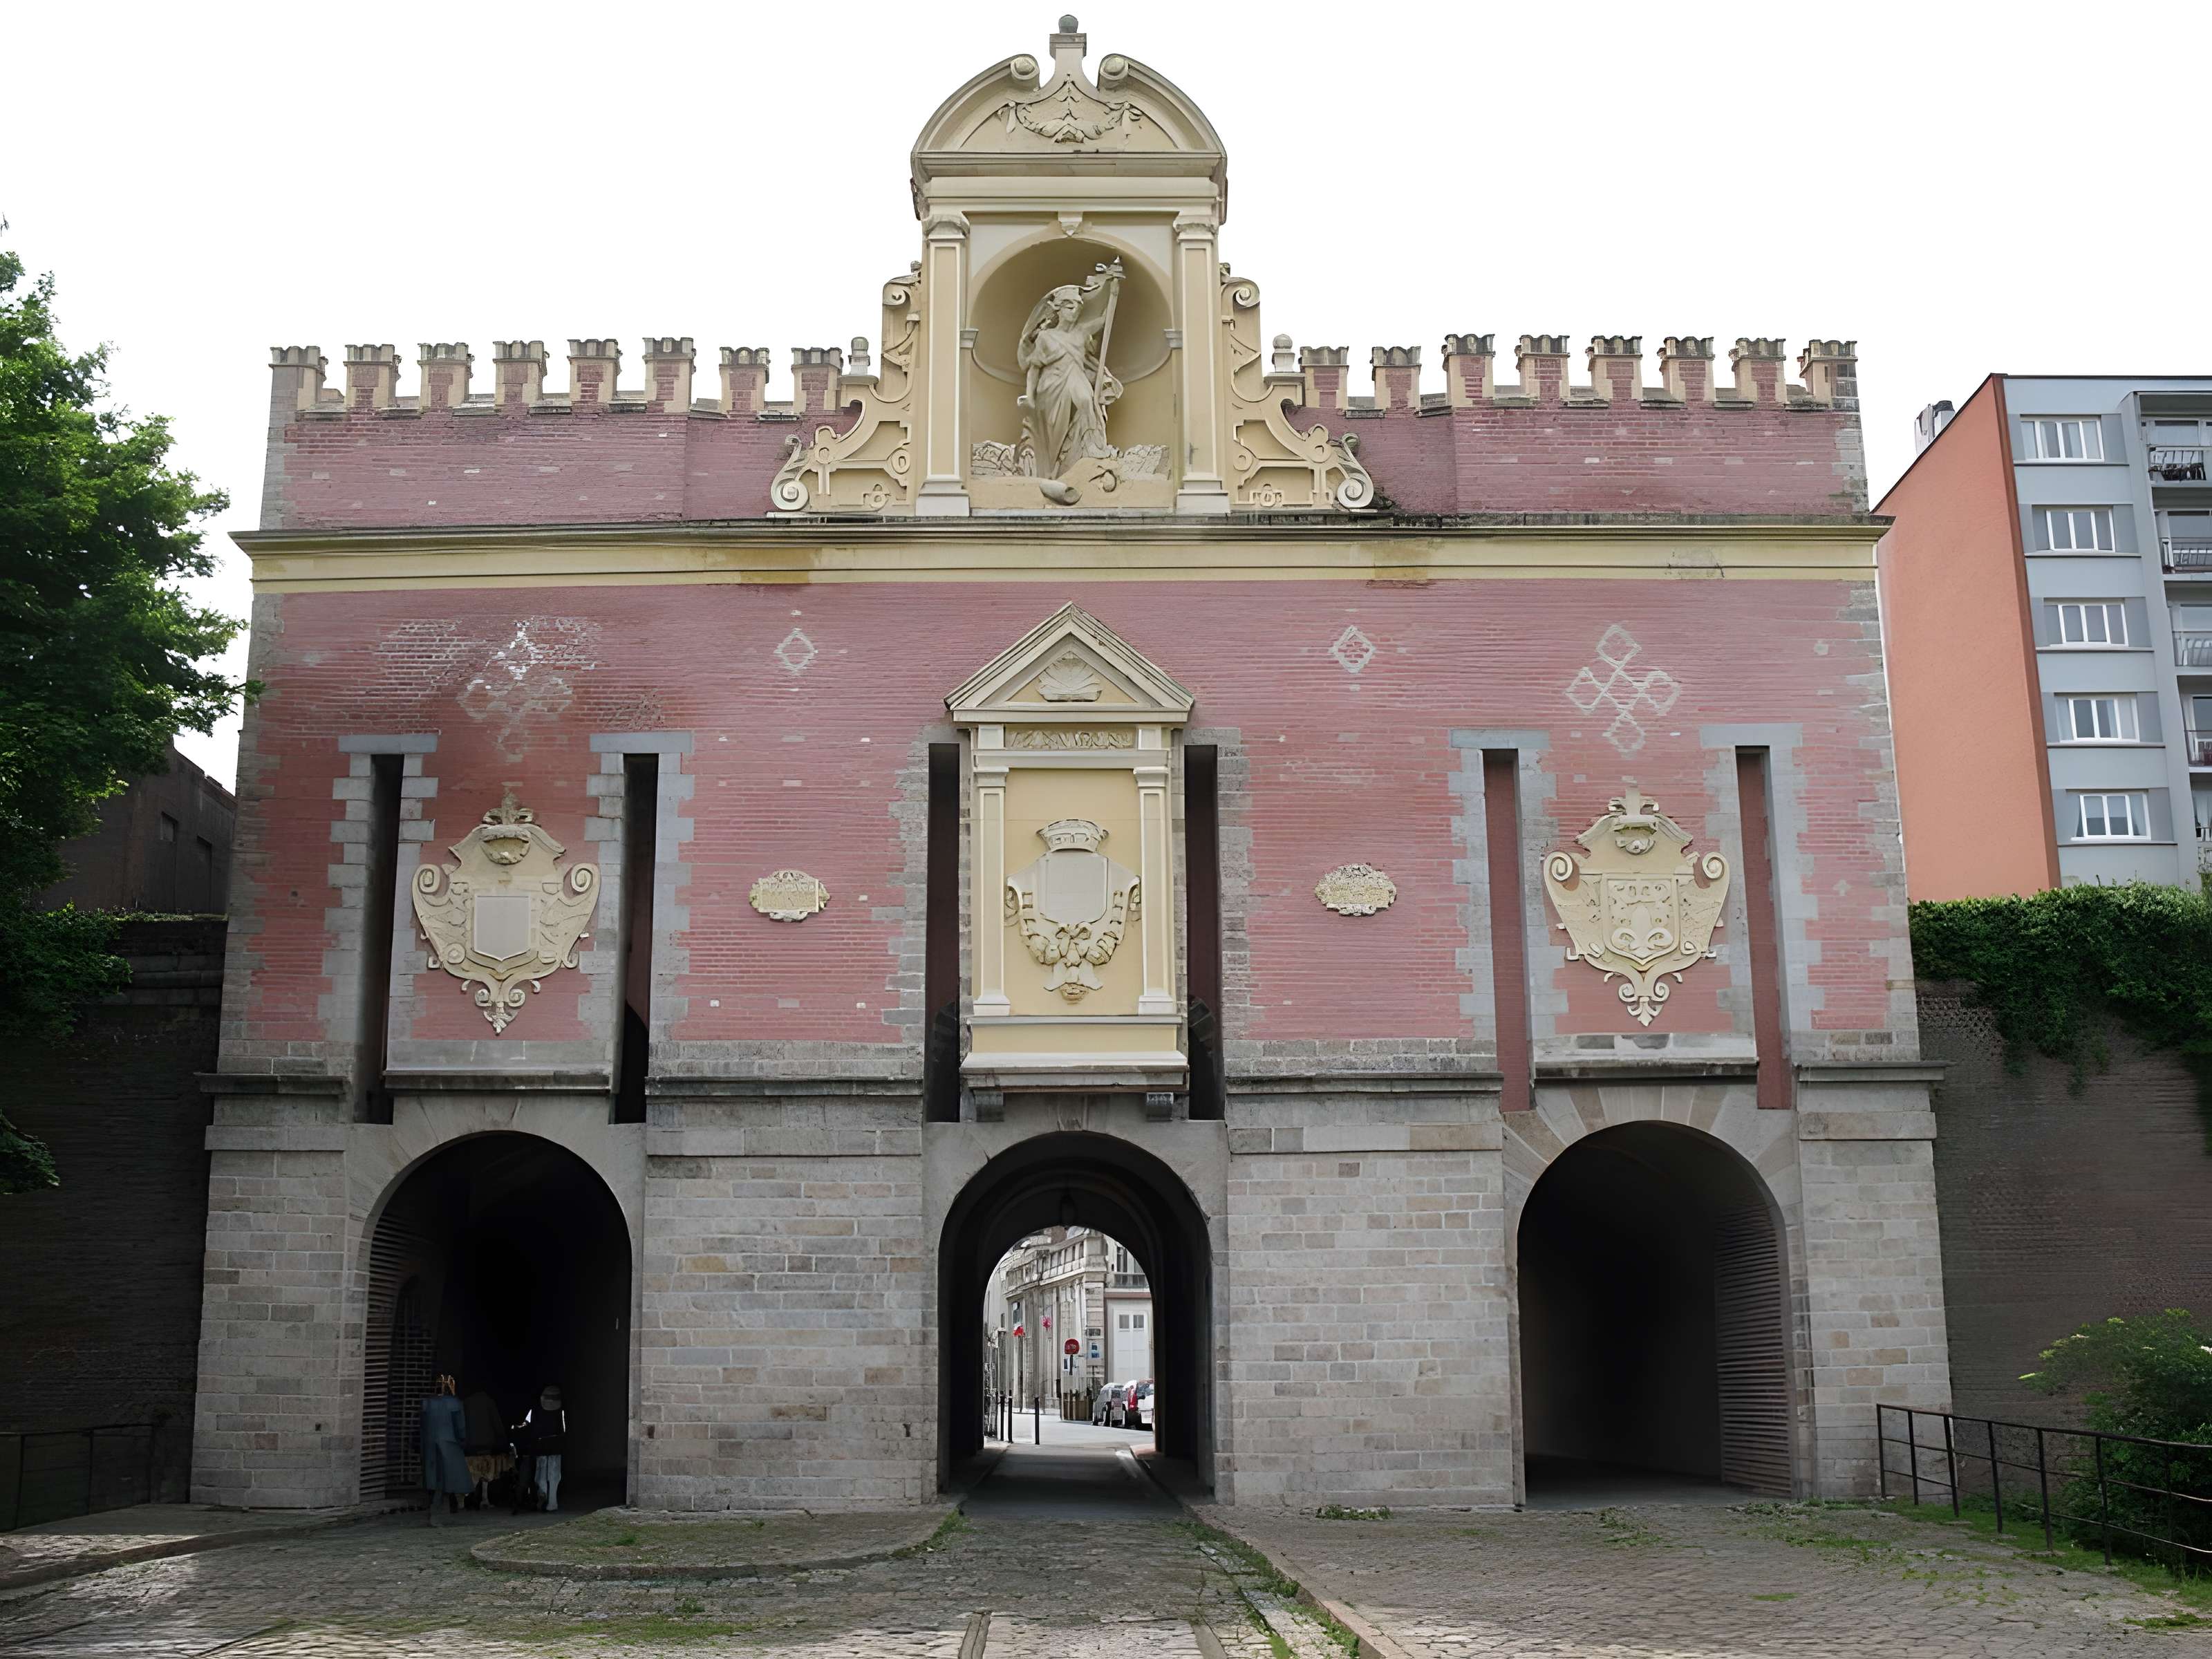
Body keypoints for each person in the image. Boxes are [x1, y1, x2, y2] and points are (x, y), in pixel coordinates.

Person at [418, 1374, 470, 1526]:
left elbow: (422, 1427)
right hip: (449, 1444)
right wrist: (463, 1442)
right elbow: (461, 1427)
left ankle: (438, 1510)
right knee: (446, 1479)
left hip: (430, 1444)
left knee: (435, 1478)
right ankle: (438, 1512)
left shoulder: (427, 1403)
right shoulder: (455, 1403)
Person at [461, 1387, 511, 1511]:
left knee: (473, 1474)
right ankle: (484, 1499)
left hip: (470, 1446)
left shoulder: (466, 1402)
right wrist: (503, 1441)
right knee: (486, 1473)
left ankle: (464, 1500)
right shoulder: (489, 1402)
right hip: (487, 1445)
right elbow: (496, 1423)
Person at [523, 1385, 567, 1512]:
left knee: (542, 1474)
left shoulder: (537, 1409)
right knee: (553, 1475)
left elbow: (531, 1427)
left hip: (542, 1445)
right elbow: (563, 1429)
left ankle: (545, 1498)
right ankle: (551, 1502)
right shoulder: (560, 1410)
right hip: (554, 1445)